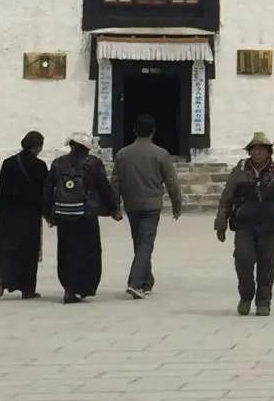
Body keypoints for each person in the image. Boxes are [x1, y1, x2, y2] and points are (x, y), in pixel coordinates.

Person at [213, 130, 274, 317]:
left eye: (261, 149)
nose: (257, 152)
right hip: (244, 225)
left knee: (267, 265)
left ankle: (263, 302)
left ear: (268, 151)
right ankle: (246, 296)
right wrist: (221, 223)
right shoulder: (240, 171)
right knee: (243, 260)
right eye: (253, 149)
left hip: (270, 226)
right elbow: (226, 198)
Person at [112, 115, 185, 298]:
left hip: (131, 203)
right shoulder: (161, 154)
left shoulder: (122, 154)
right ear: (153, 132)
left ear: (134, 131)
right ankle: (135, 283)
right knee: (145, 243)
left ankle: (146, 281)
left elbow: (115, 182)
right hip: (152, 204)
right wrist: (177, 204)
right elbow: (171, 182)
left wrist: (115, 206)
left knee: (140, 242)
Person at [46, 132, 121, 304]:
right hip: (87, 214)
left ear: (71, 145)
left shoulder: (58, 163)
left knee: (66, 252)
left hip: (64, 214)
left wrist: (49, 213)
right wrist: (113, 208)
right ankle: (85, 287)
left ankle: (69, 288)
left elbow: (48, 188)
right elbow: (104, 187)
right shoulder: (93, 163)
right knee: (89, 251)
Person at [0, 130, 47, 299]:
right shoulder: (40, 166)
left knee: (9, 248)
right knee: (29, 252)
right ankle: (27, 289)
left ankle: (2, 277)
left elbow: (1, 190)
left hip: (9, 213)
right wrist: (48, 213)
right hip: (30, 215)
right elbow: (45, 192)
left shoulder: (9, 163)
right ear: (38, 147)